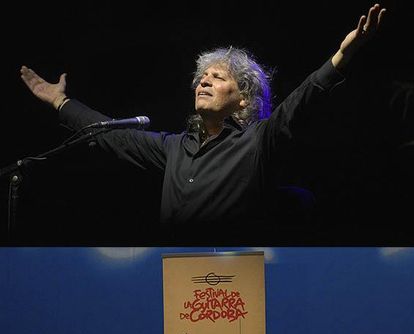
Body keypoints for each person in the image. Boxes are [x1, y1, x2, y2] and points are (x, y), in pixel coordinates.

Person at [19, 4, 386, 240]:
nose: (204, 81)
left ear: (242, 97)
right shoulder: (173, 148)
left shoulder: (258, 141)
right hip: (170, 269)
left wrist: (342, 54)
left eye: (218, 77)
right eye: (202, 76)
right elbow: (111, 135)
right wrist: (59, 101)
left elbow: (302, 101)